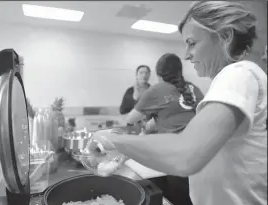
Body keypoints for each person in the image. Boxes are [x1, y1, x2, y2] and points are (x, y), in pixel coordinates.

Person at [92, 2, 267, 205]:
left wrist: (114, 140)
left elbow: (186, 154)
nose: (186, 54)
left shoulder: (240, 73)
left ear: (225, 36)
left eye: (192, 43)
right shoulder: (231, 79)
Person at [125, 53, 204, 134]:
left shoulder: (156, 90)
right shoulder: (194, 88)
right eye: (141, 73)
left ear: (158, 73)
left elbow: (130, 119)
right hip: (200, 140)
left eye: (146, 73)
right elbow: (178, 116)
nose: (144, 76)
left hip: (174, 143)